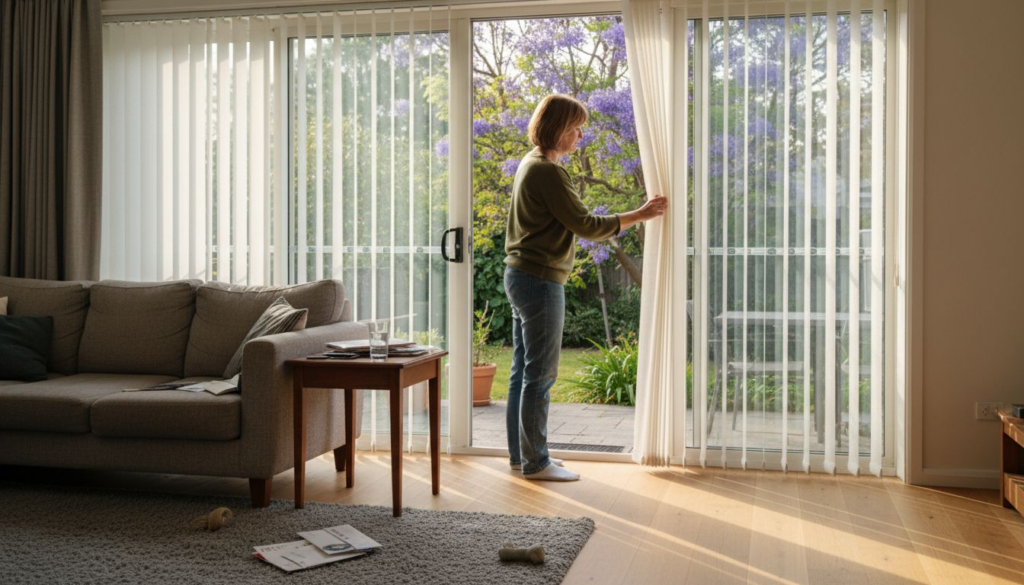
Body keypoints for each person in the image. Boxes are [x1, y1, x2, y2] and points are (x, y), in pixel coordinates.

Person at [503, 94, 668, 481]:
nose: (580, 136)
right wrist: (640, 214)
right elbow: (586, 225)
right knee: (539, 375)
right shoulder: (547, 170)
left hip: (520, 274)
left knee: (522, 372)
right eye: (575, 128)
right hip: (540, 279)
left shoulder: (531, 164)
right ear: (557, 129)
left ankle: (521, 457)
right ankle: (536, 463)